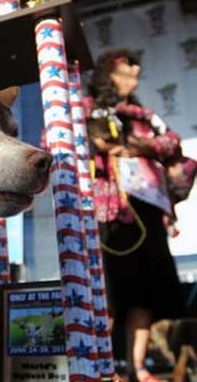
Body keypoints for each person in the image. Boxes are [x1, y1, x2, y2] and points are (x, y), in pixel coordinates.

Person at [86, 48, 189, 382]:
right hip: (108, 211)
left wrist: (133, 146)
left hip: (146, 209)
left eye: (135, 74)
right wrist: (98, 140)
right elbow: (69, 141)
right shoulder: (85, 109)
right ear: (106, 74)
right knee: (108, 292)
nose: (130, 80)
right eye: (123, 73)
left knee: (142, 293)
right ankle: (101, 367)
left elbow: (172, 143)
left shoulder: (145, 115)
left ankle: (138, 366)